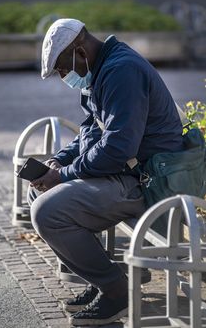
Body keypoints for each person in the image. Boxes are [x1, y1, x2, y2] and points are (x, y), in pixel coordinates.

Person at [28, 18, 183, 326]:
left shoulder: (121, 71)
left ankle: (116, 291)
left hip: (147, 181)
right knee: (39, 190)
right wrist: (58, 162)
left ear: (80, 52)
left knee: (48, 211)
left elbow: (117, 147)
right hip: (125, 173)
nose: (64, 76)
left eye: (62, 68)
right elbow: (91, 131)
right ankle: (104, 279)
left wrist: (64, 175)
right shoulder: (101, 69)